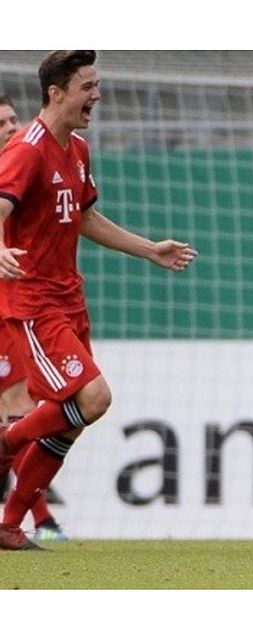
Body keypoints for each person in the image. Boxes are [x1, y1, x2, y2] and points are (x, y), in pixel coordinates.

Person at [0, 51, 198, 550]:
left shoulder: (78, 149)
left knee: (71, 417)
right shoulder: (26, 150)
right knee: (93, 398)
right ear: (56, 93)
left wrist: (149, 249)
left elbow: (85, 218)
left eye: (97, 84)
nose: (97, 95)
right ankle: (6, 443)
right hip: (34, 301)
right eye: (88, 86)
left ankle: (9, 524)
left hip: (70, 298)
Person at [0, 94, 69, 542]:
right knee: (20, 409)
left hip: (14, 305)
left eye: (12, 118)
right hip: (13, 307)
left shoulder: (26, 168)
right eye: (0, 123)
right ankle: (35, 521)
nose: (10, 127)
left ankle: (32, 520)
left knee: (22, 410)